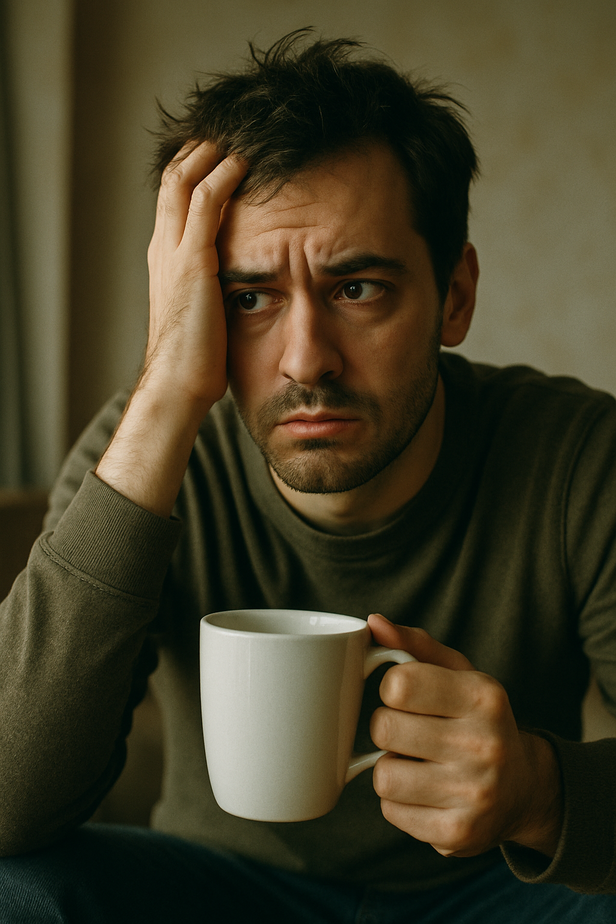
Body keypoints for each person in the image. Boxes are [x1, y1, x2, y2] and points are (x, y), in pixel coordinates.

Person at [1, 30, 615, 923]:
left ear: (455, 295)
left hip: (502, 899)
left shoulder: (579, 458)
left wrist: (540, 791)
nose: (305, 360)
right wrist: (168, 388)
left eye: (357, 288)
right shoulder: (148, 451)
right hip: (214, 894)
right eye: (249, 298)